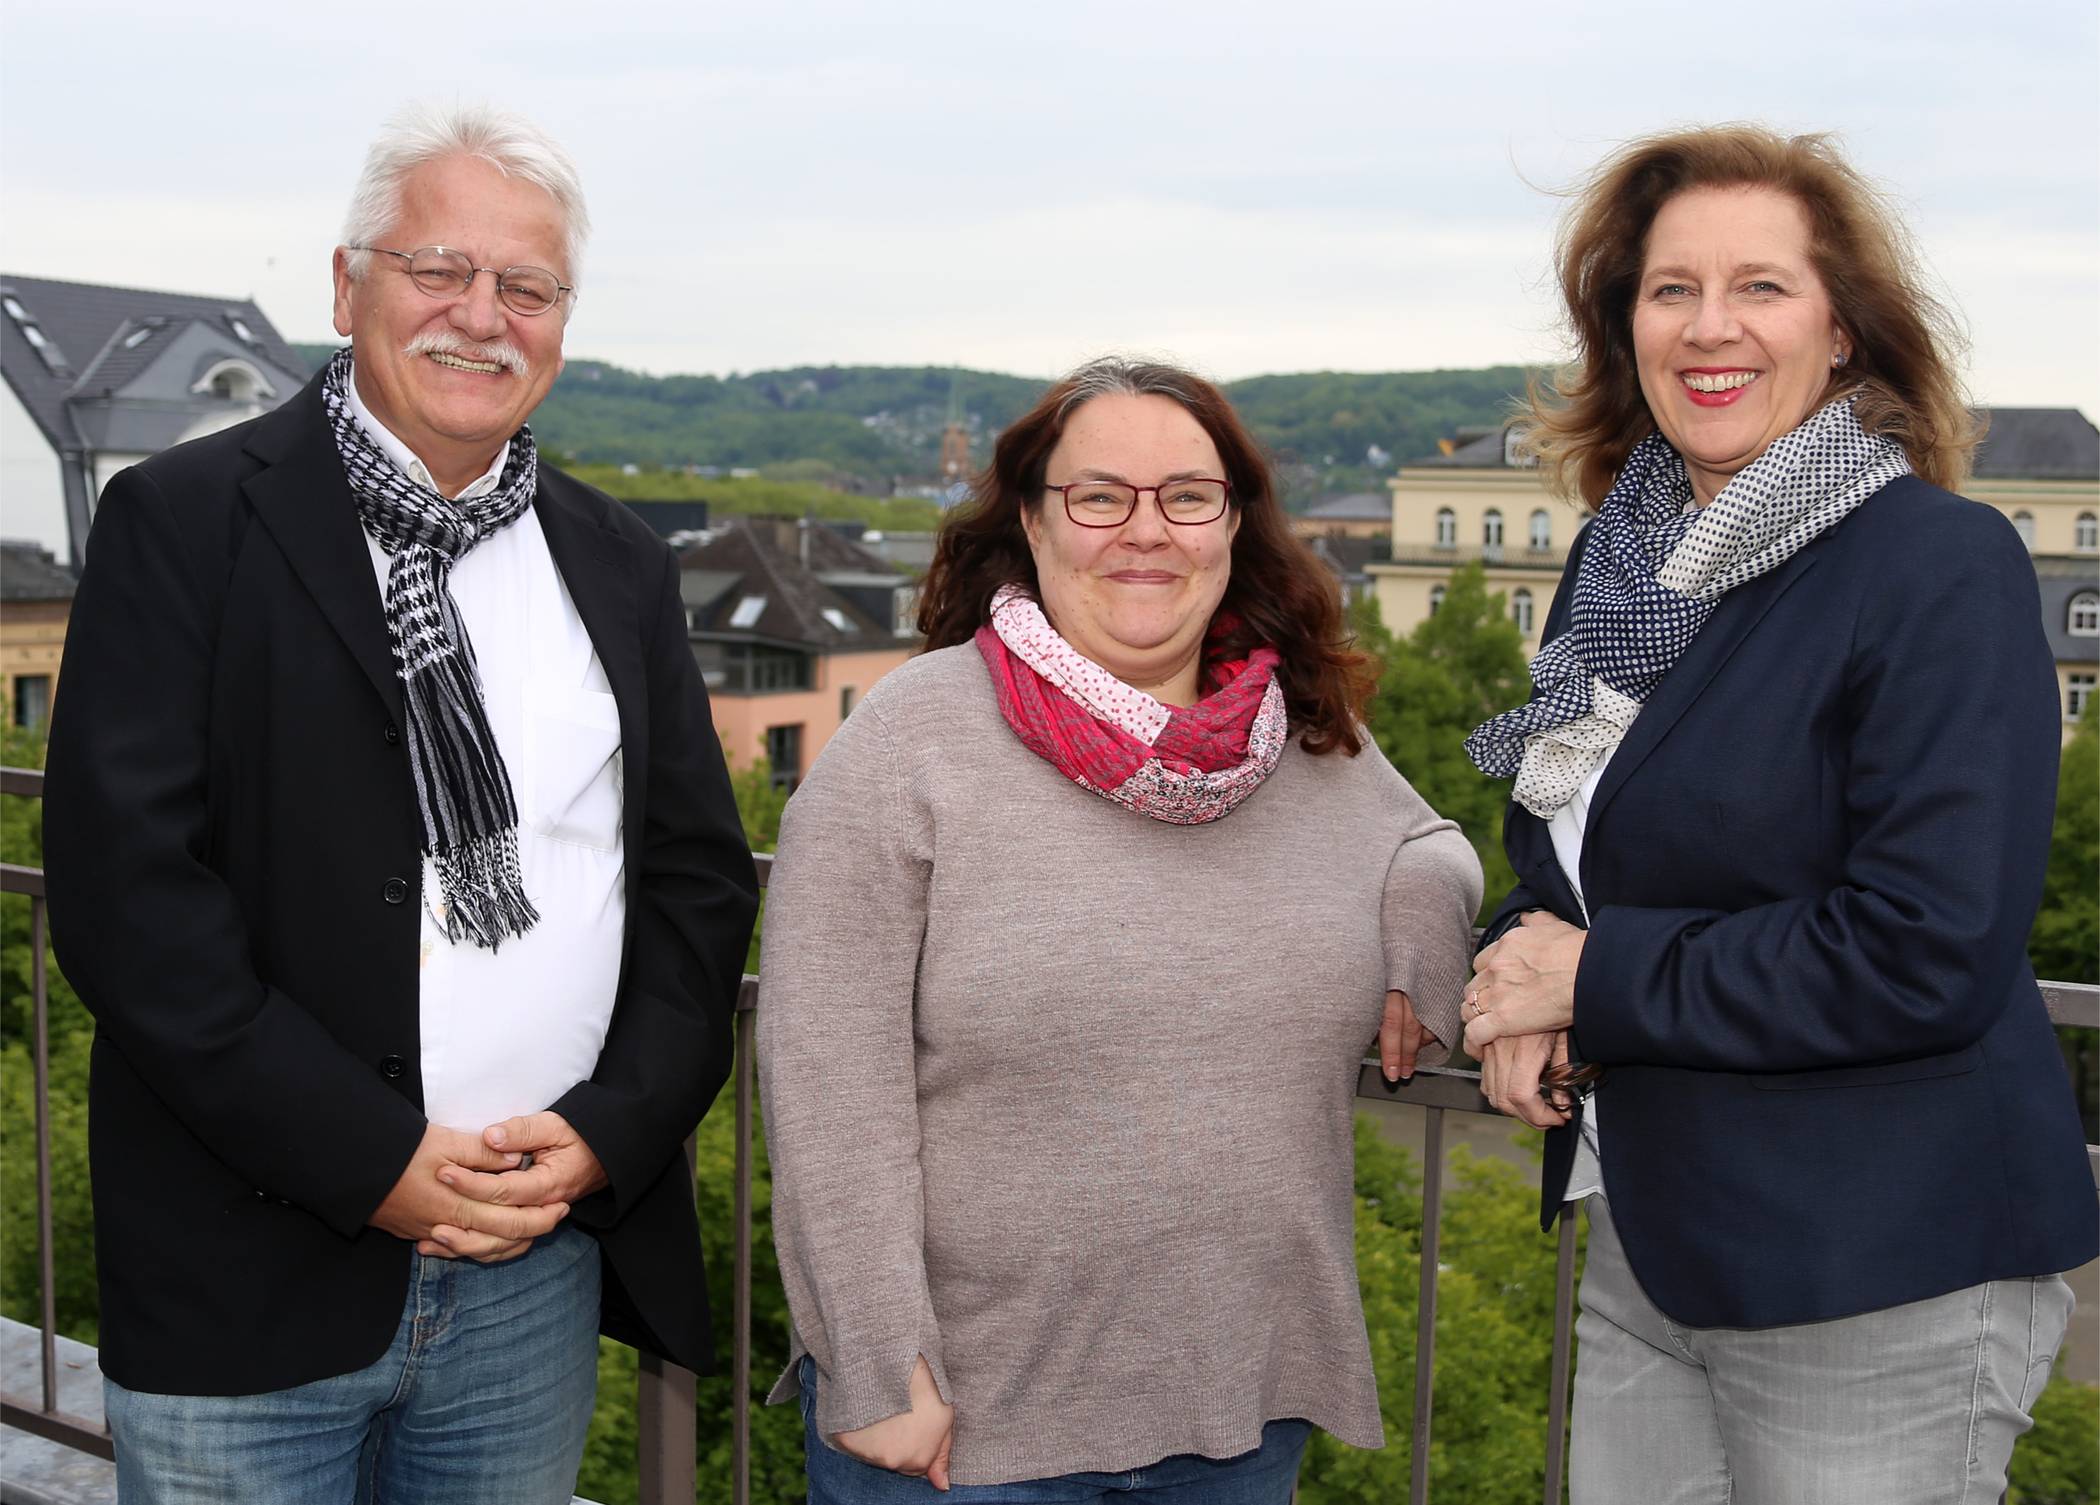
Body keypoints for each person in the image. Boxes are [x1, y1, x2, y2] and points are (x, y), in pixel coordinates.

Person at [42, 103, 758, 1504]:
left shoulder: (616, 559)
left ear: (562, 326)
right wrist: (373, 1161)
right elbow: (132, 902)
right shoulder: (183, 522)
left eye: (528, 287)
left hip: (534, 1273)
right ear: (347, 284)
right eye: (439, 268)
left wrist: (609, 1129)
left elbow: (697, 880)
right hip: (246, 1272)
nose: (481, 316)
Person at [1457, 124, 2097, 1505]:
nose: (1711, 327)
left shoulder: (1934, 563)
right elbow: (1580, 849)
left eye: (1761, 286)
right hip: (1649, 1236)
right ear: (1625, 327)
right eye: (1670, 289)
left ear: (1844, 329)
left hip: (1875, 1268)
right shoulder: (1620, 562)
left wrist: (1595, 978)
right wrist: (1526, 965)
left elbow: (1926, 945)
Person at [756, 357, 1483, 1500]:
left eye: (1187, 496)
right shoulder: (909, 743)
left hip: (1239, 1411)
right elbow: (826, 1080)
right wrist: (874, 1358)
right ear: (1034, 522)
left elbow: (1427, 837)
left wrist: (1427, 904)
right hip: (966, 1433)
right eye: (1099, 496)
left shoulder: (1299, 735)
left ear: (1233, 524)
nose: (1147, 531)